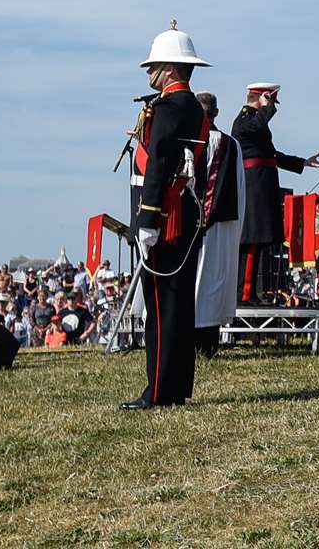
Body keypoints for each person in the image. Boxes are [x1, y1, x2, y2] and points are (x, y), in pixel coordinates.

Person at [126, 22, 210, 410]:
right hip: (187, 212)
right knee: (178, 307)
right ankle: (175, 387)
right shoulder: (193, 107)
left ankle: (158, 391)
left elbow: (159, 165)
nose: (149, 73)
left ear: (172, 69)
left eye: (155, 66)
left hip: (167, 215)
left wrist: (147, 219)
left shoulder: (168, 107)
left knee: (160, 307)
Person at [234, 84, 319, 306]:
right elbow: (254, 128)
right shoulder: (245, 120)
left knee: (259, 241)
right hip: (253, 186)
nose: (274, 106)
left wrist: (302, 163)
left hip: (262, 186)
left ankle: (250, 293)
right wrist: (267, 108)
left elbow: (272, 154)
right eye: (271, 100)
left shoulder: (257, 123)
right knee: (252, 241)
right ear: (263, 97)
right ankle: (243, 294)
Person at [193, 92, 246, 354]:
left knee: (195, 284)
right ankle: (207, 344)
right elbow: (240, 190)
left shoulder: (188, 141)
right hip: (221, 226)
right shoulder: (231, 145)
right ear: (216, 113)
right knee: (212, 285)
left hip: (191, 223)